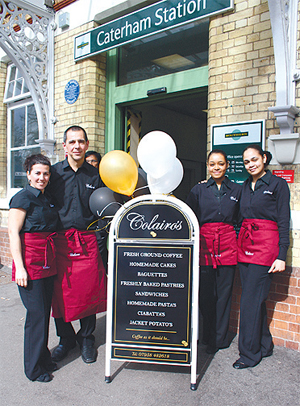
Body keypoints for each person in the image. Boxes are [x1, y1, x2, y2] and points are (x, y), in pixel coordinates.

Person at [48, 125, 107, 364]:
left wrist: (100, 236)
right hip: (60, 242)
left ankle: (86, 339)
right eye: (72, 142)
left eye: (81, 142)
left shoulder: (95, 175)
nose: (77, 146)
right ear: (64, 146)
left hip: (88, 240)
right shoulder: (52, 174)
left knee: (88, 293)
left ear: (86, 144)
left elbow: (105, 208)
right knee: (59, 293)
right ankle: (65, 339)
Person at [233, 144, 290, 369]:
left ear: (264, 158)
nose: (251, 164)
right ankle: (265, 346)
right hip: (245, 248)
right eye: (247, 162)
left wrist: (281, 255)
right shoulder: (244, 186)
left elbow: (284, 221)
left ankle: (249, 354)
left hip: (266, 251)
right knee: (256, 301)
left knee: (249, 302)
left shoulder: (278, 184)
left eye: (254, 159)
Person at [8, 154, 59, 382]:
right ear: (28, 174)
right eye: (37, 173)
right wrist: (19, 268)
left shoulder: (46, 198)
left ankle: (43, 358)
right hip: (29, 264)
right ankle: (33, 369)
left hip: (47, 261)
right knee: (36, 315)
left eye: (46, 173)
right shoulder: (22, 198)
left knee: (44, 313)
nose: (42, 177)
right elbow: (13, 233)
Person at [186, 150, 241, 353]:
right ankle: (206, 335)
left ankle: (220, 339)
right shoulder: (198, 190)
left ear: (227, 166)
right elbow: (189, 219)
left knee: (224, 294)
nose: (216, 167)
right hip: (205, 245)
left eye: (220, 164)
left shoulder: (237, 190)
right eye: (212, 164)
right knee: (206, 295)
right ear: (207, 166)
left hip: (228, 244)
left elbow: (242, 218)